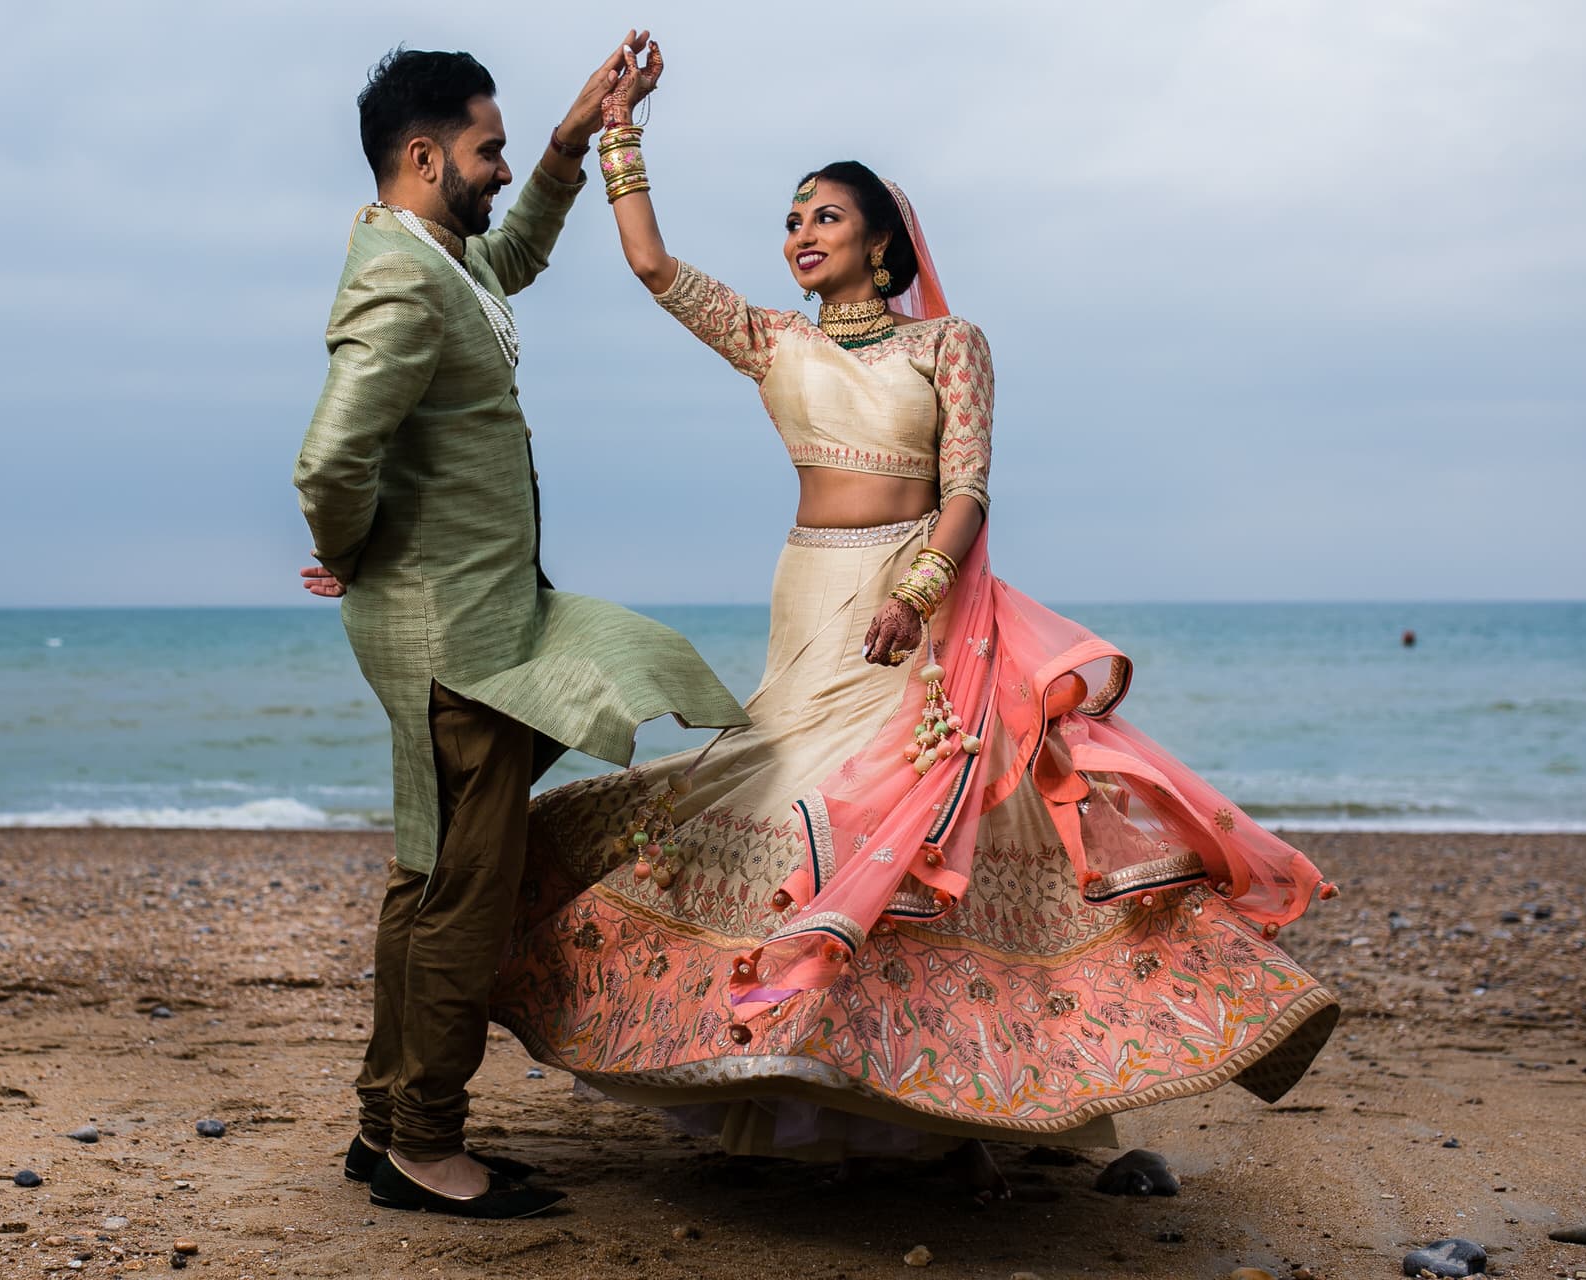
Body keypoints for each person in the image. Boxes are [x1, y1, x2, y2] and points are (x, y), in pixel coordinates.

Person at [491, 42, 1340, 1183]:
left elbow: (969, 488)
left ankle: (946, 1110)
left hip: (919, 610)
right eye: (791, 216)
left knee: (906, 824)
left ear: (881, 242)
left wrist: (916, 590)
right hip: (810, 595)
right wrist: (619, 126)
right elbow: (649, 265)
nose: (801, 232)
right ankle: (787, 1068)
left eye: (827, 215)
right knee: (778, 799)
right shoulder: (772, 341)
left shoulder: (950, 344)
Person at [293, 39, 748, 1219]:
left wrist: (564, 143)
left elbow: (511, 258)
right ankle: (425, 1146)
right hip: (460, 640)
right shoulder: (397, 277)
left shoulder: (440, 257)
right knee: (468, 891)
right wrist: (351, 551)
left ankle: (383, 1121)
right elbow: (332, 455)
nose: (495, 170)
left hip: (491, 617)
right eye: (486, 151)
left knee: (428, 873)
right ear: (424, 153)